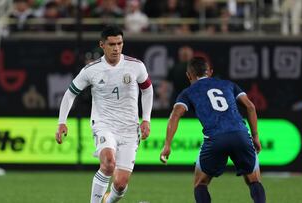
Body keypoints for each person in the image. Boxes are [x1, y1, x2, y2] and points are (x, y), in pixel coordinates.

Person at [55, 25, 153, 203]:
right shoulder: (91, 70)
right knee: (108, 163)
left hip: (130, 128)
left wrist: (146, 119)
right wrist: (62, 122)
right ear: (102, 45)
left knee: (121, 183)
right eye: (112, 44)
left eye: (120, 43)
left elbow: (147, 90)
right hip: (104, 125)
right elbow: (70, 93)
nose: (116, 48)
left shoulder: (136, 66)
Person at [160, 57, 266, 203]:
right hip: (240, 135)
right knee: (254, 180)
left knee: (200, 183)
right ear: (209, 72)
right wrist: (255, 137)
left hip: (215, 139)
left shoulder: (188, 92)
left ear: (189, 75)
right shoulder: (228, 84)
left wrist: (167, 144)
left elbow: (175, 114)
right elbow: (250, 107)